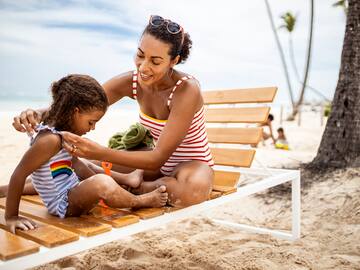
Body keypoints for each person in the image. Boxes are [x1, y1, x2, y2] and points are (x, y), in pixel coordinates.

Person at [10, 15, 214, 208]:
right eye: (140, 55)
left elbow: (158, 157)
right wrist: (36, 114)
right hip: (147, 164)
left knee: (191, 192)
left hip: (189, 164)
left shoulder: (186, 90)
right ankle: (7, 189)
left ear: (174, 61)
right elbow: (81, 102)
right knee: (74, 166)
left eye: (155, 61)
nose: (143, 67)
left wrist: (97, 150)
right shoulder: (132, 82)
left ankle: (137, 189)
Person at [4, 74, 168, 233]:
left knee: (85, 166)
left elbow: (77, 166)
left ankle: (124, 181)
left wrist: (101, 190)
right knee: (101, 182)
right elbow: (19, 174)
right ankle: (140, 201)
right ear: (75, 112)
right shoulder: (50, 141)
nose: (92, 128)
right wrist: (12, 217)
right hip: (64, 204)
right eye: (91, 122)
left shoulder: (57, 131)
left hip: (72, 189)